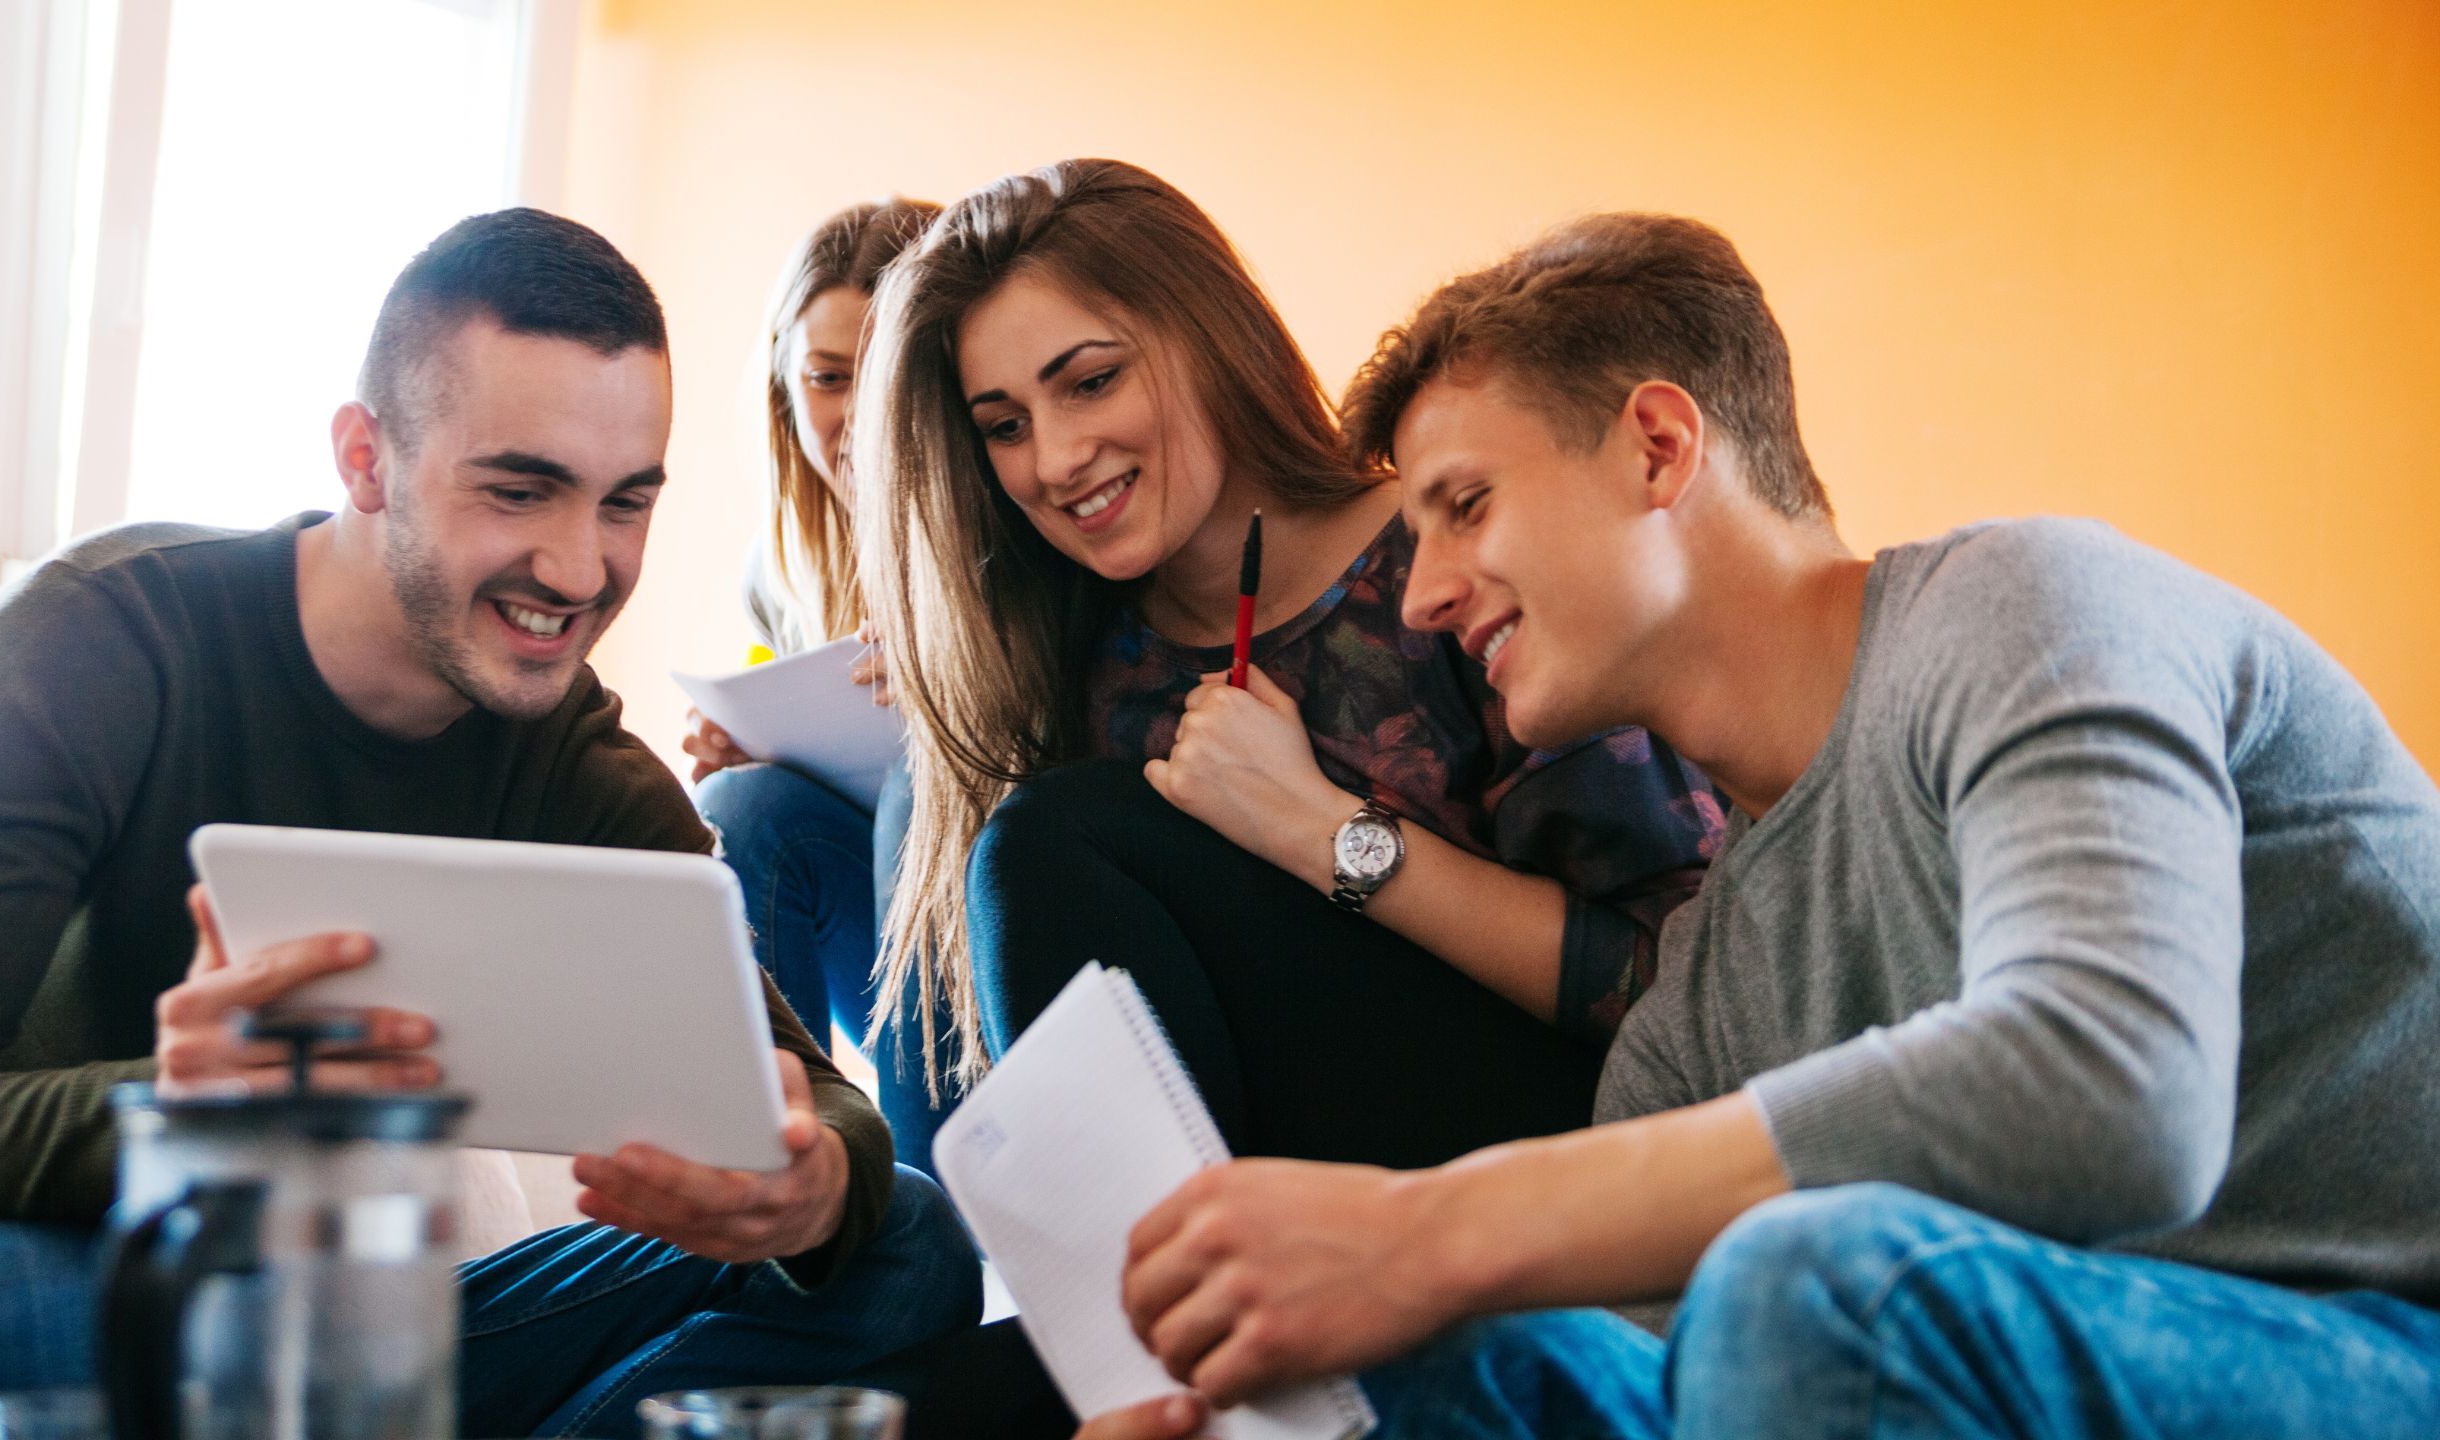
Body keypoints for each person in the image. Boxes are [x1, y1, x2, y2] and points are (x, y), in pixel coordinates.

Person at [1074, 212, 2440, 1438]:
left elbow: (2116, 1091)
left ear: (1659, 448)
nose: (1422, 593)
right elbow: (1627, 1392)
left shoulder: (2027, 610)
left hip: (2384, 1337)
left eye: (1465, 506)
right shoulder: (1703, 995)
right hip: (2020, 1371)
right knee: (1434, 1365)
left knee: (1804, 1287)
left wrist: (1427, 1226)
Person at [0, 208, 978, 1433]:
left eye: (626, 503)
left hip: (407, 1329)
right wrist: (163, 1110)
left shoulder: (568, 755)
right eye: (521, 489)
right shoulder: (102, 637)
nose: (577, 571)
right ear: (365, 458)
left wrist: (811, 1185)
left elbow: (809, 1097)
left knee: (903, 1236)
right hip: (121, 1286)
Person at [853, 159, 1722, 1172]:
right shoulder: (1067, 664)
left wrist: (1327, 835)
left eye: (1091, 382)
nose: (1054, 459)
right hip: (1262, 1204)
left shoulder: (1454, 562)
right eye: (1005, 427)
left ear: (1209, 339)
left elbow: (1679, 987)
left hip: (1558, 1161)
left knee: (1045, 836)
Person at [680, 198, 955, 1175]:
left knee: (927, 788)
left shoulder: (1023, 524)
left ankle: (934, 1216)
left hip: (1012, 963)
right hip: (883, 954)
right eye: (830, 378)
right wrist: (755, 748)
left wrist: (956, 690)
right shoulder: (784, 570)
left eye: (889, 377)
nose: (859, 415)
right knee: (738, 804)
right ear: (784, 391)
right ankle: (784, 1176)